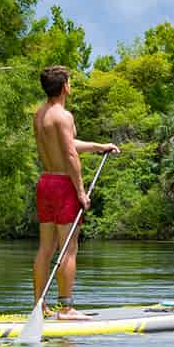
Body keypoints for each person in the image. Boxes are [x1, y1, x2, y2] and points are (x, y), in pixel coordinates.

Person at [33, 65, 119, 320]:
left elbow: (66, 145)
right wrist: (81, 191)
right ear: (64, 86)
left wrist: (98, 146)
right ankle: (67, 309)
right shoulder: (64, 116)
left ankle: (40, 305)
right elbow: (70, 155)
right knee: (69, 248)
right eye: (69, 81)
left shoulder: (40, 115)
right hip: (62, 186)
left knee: (45, 248)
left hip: (45, 182)